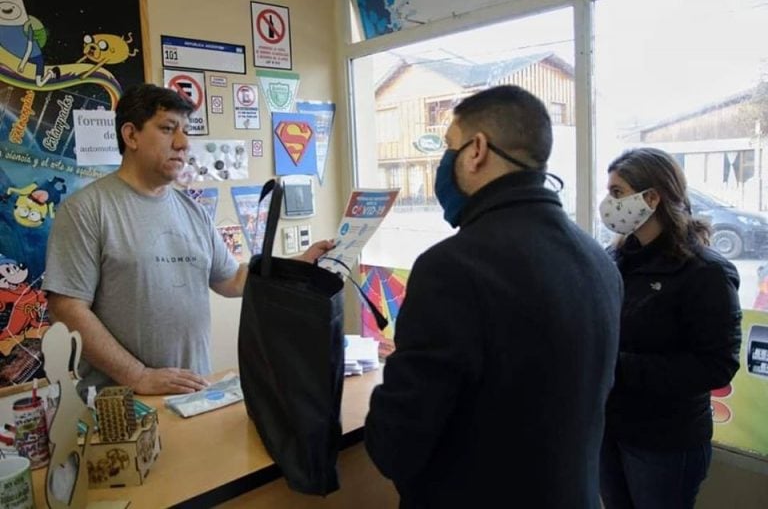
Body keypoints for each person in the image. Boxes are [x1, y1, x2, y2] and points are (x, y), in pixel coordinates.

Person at [364, 85, 623, 508]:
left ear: (477, 150)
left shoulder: (451, 268)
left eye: (449, 147)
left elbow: (397, 445)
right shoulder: (598, 259)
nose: (444, 164)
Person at [42, 83, 332, 396]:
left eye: (185, 131)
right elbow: (67, 309)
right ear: (131, 135)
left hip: (193, 394)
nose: (183, 143)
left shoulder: (192, 210)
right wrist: (138, 375)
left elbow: (233, 279)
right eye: (168, 129)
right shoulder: (85, 210)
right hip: (123, 406)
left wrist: (298, 266)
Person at [598, 147, 742, 509]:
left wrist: (616, 366)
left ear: (651, 197)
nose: (607, 203)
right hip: (610, 428)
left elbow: (717, 365)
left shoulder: (704, 272)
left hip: (665, 441)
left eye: (617, 193)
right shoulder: (613, 260)